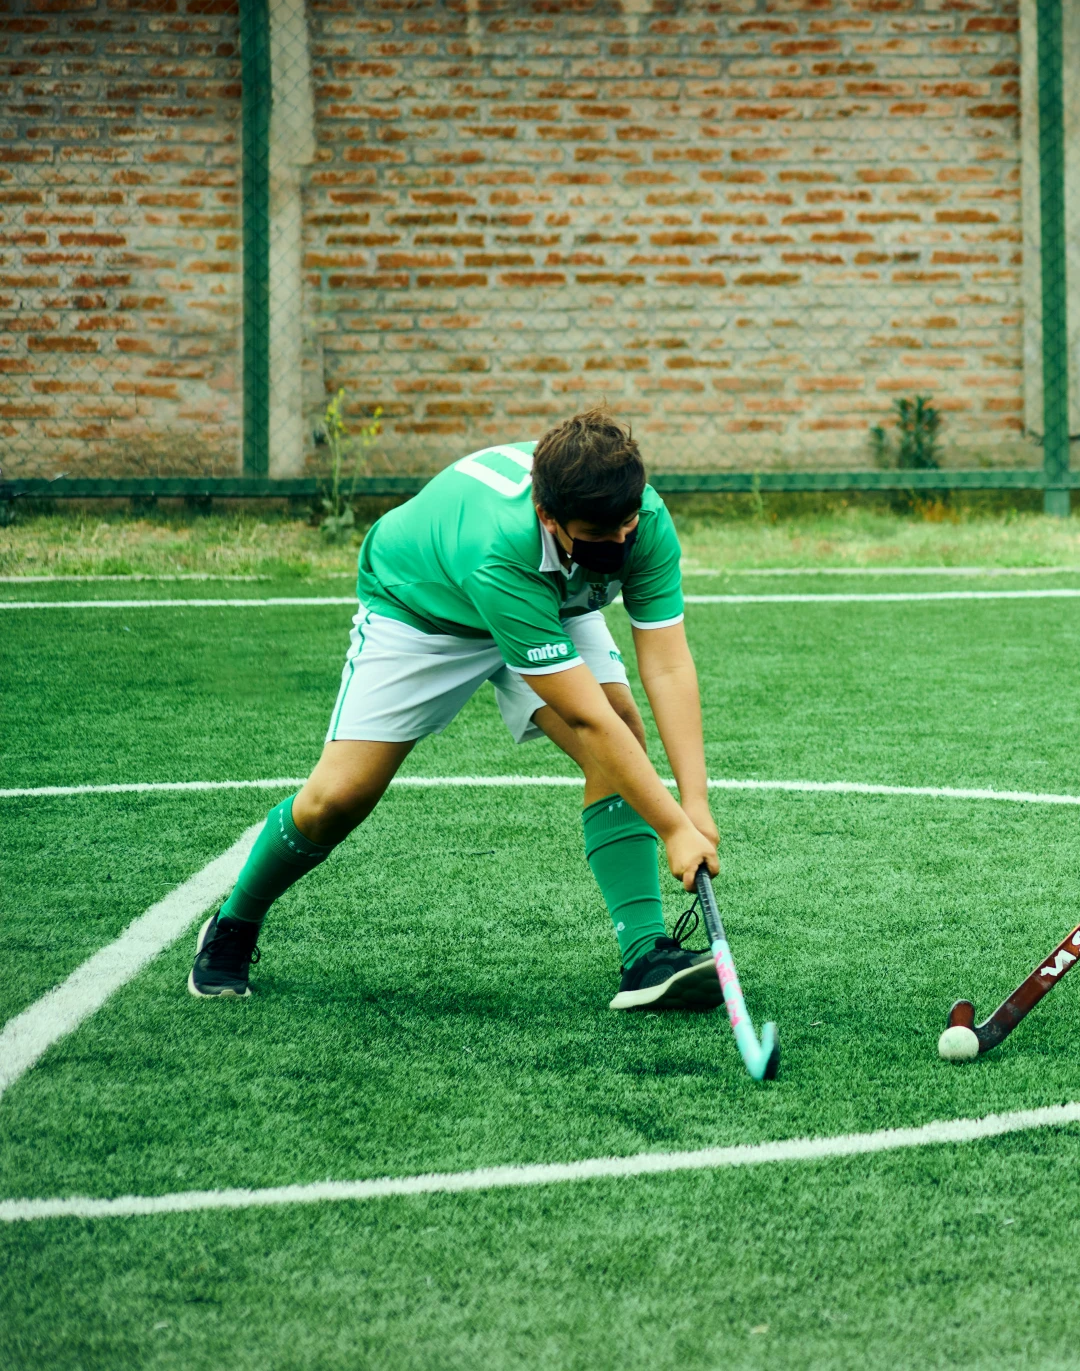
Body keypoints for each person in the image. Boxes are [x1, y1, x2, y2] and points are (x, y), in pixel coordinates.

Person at [188, 411, 727, 1013]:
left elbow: (669, 666)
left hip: (551, 598)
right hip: (423, 609)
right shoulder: (499, 545)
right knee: (337, 799)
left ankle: (645, 955)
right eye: (599, 538)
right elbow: (583, 719)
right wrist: (673, 828)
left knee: (621, 735)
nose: (620, 545)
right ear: (549, 516)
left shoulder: (640, 518)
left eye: (626, 527)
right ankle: (235, 920)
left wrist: (696, 803)